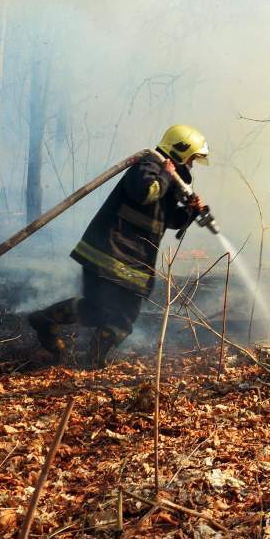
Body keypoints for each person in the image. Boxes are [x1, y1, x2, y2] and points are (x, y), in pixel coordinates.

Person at [28, 124, 209, 368]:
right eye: (191, 159)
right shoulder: (147, 167)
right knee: (123, 317)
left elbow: (167, 218)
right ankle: (93, 361)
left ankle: (45, 319)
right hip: (112, 252)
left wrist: (190, 211)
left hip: (124, 257)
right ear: (179, 152)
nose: (191, 166)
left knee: (95, 310)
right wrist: (166, 174)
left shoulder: (166, 180)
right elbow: (146, 193)